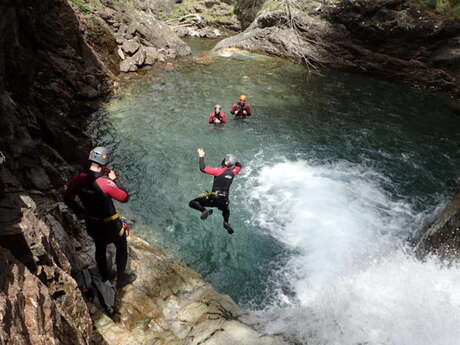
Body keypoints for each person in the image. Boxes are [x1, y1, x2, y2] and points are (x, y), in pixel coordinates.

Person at [64, 147, 136, 288]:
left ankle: (104, 276)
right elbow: (124, 197)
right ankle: (121, 278)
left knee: (100, 247)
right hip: (111, 225)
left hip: (92, 222)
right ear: (104, 163)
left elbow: (68, 199)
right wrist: (115, 180)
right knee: (121, 246)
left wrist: (82, 212)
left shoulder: (78, 179)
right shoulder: (105, 183)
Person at [189, 148, 242, 234]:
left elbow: (202, 168)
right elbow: (239, 165)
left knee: (192, 202)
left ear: (225, 162)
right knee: (226, 210)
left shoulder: (218, 171)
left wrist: (201, 156)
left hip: (213, 198)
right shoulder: (234, 172)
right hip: (224, 200)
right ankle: (226, 222)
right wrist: (236, 160)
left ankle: (204, 211)